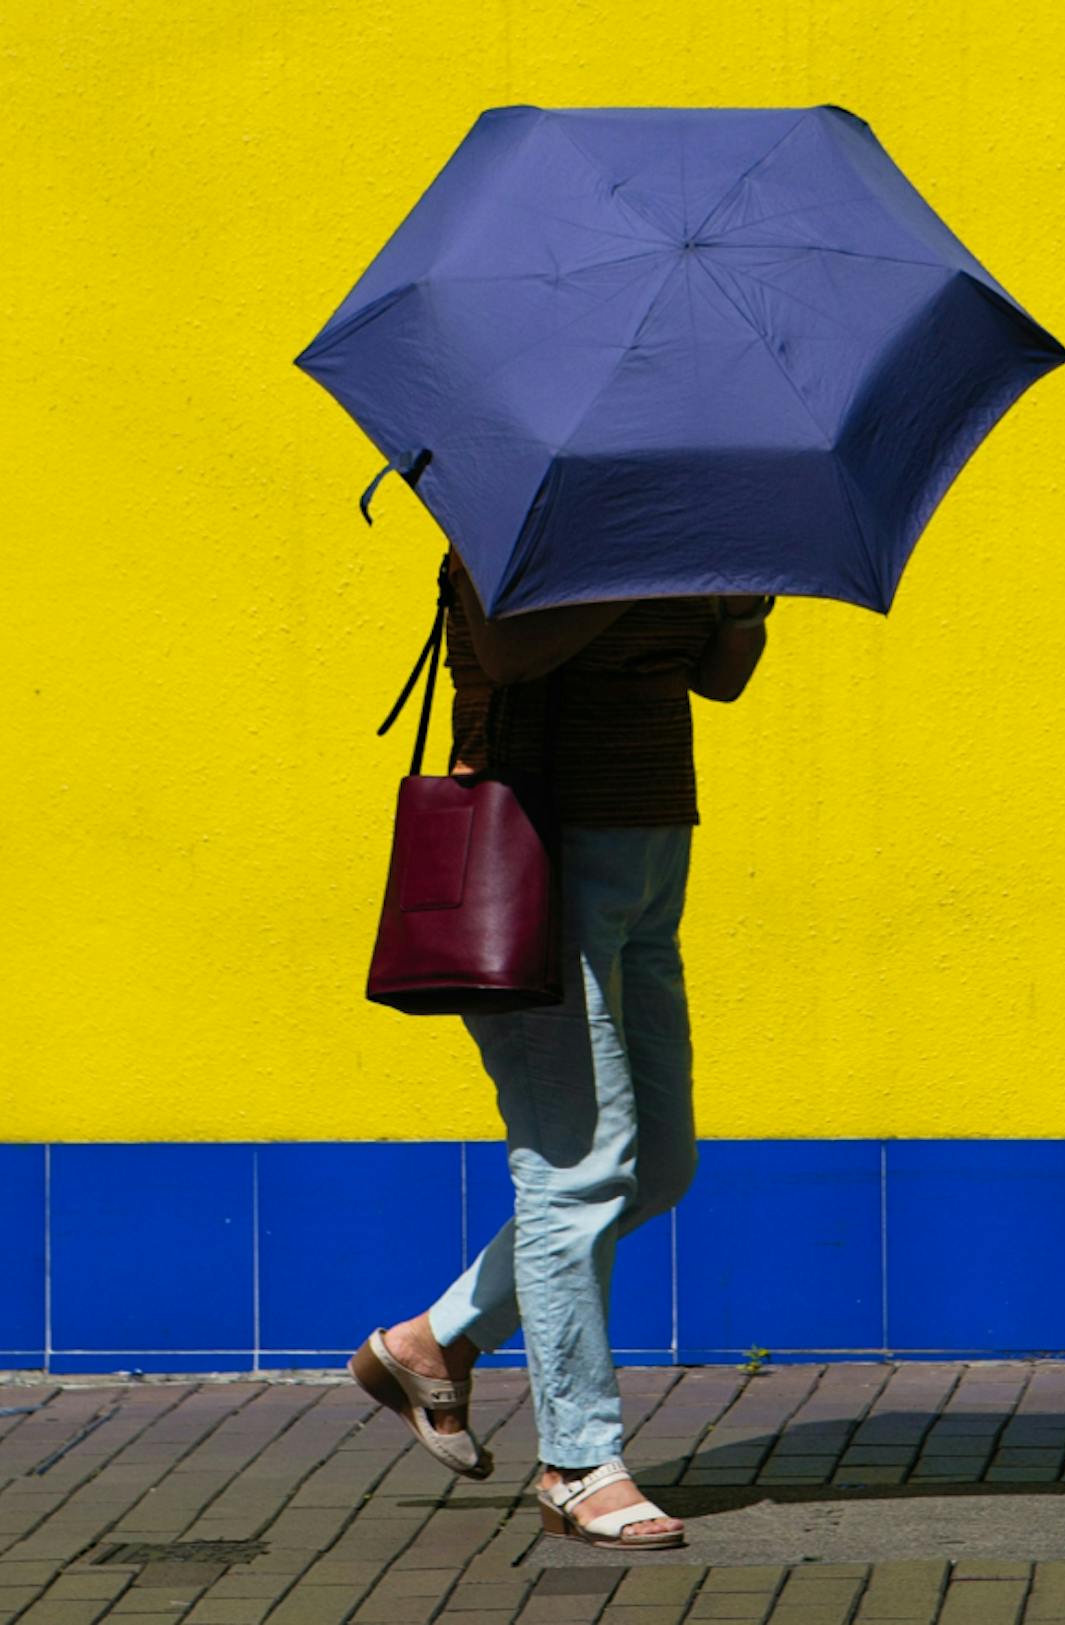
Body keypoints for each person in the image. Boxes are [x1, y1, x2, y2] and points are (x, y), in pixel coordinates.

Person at [349, 549, 773, 1551]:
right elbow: (506, 648)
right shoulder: (515, 515)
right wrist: (639, 566)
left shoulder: (688, 511)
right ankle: (578, 1459)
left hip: (651, 852)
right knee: (575, 1167)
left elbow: (719, 677)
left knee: (658, 1163)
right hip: (539, 857)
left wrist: (741, 596)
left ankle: (429, 1341)